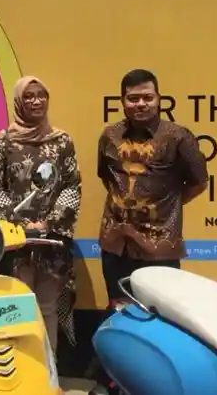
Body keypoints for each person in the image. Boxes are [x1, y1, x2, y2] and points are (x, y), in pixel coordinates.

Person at [88, 69, 208, 394]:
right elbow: (107, 178)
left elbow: (199, 182)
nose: (140, 104)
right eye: (133, 98)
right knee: (118, 312)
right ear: (122, 101)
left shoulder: (178, 137)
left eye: (147, 97)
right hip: (115, 243)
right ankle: (115, 382)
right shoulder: (109, 136)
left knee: (162, 318)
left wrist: (163, 206)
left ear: (158, 99)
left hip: (160, 245)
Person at [0, 76, 82, 353]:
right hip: (17, 239)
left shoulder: (62, 141)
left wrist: (49, 222)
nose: (36, 101)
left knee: (47, 307)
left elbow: (71, 185)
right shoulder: (4, 141)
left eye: (41, 95)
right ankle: (21, 370)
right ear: (18, 101)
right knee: (18, 306)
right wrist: (18, 223)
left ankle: (48, 371)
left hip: (51, 238)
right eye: (28, 96)